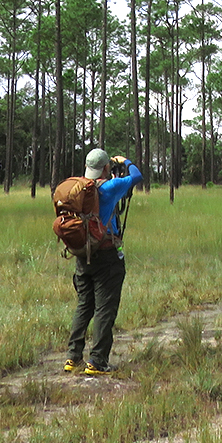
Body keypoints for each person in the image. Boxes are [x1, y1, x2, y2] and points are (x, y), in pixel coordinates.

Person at [67, 148, 143, 377]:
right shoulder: (110, 187)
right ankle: (98, 361)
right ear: (106, 168)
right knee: (104, 309)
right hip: (106, 254)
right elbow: (137, 176)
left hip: (82, 254)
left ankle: (73, 357)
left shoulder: (76, 188)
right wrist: (125, 161)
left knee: (84, 305)